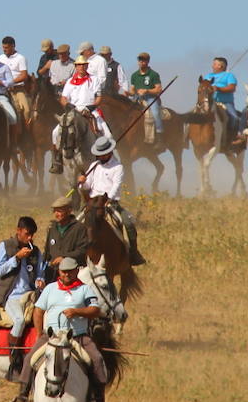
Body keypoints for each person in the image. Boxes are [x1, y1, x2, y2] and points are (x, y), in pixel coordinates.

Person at [9, 257, 109, 402]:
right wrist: (39, 332)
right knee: (30, 358)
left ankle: (98, 399)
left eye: (70, 271)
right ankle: (22, 396)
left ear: (77, 271)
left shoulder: (85, 289)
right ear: (59, 272)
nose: (66, 275)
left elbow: (95, 310)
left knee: (97, 359)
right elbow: (38, 311)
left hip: (77, 336)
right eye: (63, 271)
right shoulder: (50, 288)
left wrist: (77, 311)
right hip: (52, 336)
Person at [79, 136, 147, 266]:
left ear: (109, 152)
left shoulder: (118, 167)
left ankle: (133, 252)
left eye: (102, 154)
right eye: (98, 155)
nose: (100, 157)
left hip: (110, 202)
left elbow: (116, 186)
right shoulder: (94, 166)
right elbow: (87, 186)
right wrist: (82, 183)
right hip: (92, 203)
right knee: (76, 223)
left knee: (128, 223)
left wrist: (107, 200)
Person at [0, 216, 44, 382]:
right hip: (11, 295)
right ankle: (14, 361)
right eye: (27, 234)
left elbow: (40, 271)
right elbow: (0, 270)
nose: (30, 238)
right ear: (18, 231)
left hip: (30, 294)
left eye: (32, 235)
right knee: (19, 321)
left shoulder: (36, 251)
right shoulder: (5, 246)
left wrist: (39, 280)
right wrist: (17, 258)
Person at [43, 194, 91, 274]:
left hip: (72, 272)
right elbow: (47, 252)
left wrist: (64, 258)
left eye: (59, 211)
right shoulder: (52, 228)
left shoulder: (79, 228)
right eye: (55, 211)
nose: (56, 214)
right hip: (53, 272)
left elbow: (82, 250)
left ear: (69, 211)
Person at [203, 56, 243, 146]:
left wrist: (218, 88)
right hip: (210, 102)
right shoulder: (208, 76)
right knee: (193, 114)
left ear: (220, 66)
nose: (212, 66)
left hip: (225, 103)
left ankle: (232, 137)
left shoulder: (229, 76)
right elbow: (204, 86)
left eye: (214, 64)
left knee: (235, 118)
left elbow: (232, 88)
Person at [128, 52, 165, 140]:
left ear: (148, 61)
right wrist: (129, 93)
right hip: (137, 98)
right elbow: (132, 90)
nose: (141, 62)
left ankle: (160, 136)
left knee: (155, 113)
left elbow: (159, 89)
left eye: (143, 60)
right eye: (139, 60)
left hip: (150, 98)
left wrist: (147, 90)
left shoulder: (153, 74)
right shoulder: (134, 75)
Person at [0, 36, 32, 126]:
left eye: (6, 47)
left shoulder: (20, 58)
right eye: (3, 47)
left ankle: (27, 132)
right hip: (2, 89)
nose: (4, 50)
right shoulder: (0, 58)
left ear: (13, 46)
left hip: (18, 89)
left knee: (26, 110)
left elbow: (24, 75)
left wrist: (11, 82)